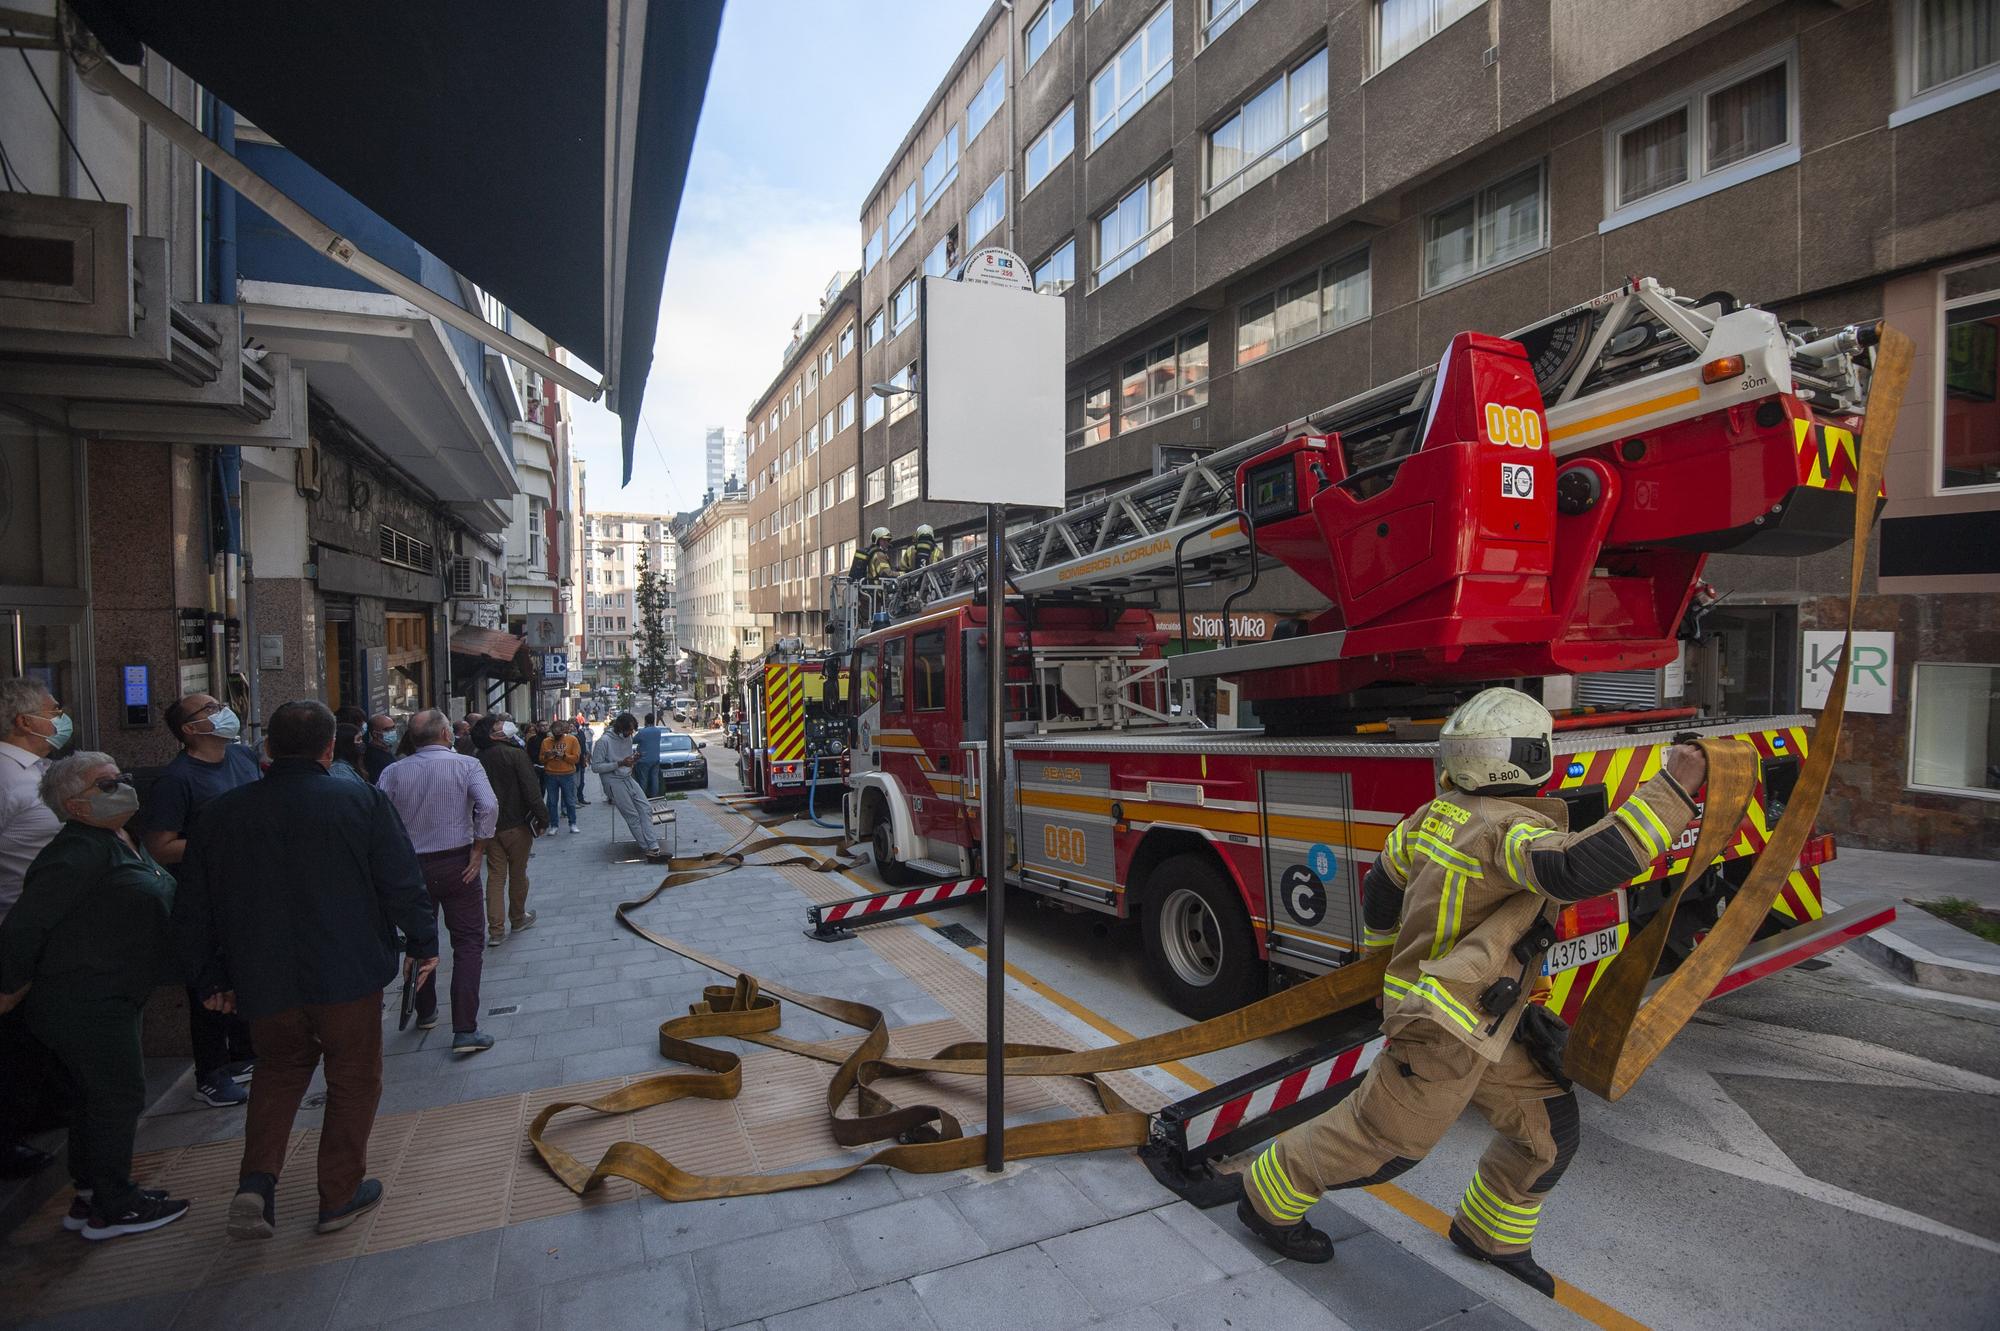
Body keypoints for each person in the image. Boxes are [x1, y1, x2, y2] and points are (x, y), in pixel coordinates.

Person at [1233, 687, 1707, 1295]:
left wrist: (1382, 960)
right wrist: (1672, 790)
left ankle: (1489, 1235)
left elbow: (1380, 886)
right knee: (1381, 1142)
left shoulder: (1432, 816)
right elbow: (1573, 869)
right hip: (1440, 1027)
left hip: (1484, 1019)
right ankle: (1264, 1198)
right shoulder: (1503, 829)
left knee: (1547, 1131)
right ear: (1528, 757)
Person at [177, 701, 439, 1241]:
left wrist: (210, 979)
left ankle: (256, 1183)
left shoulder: (222, 814)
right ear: (329, 748)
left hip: (262, 977)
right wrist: (422, 942)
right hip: (347, 973)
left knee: (277, 1072)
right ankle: (339, 1193)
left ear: (268, 748)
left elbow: (194, 907)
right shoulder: (359, 801)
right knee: (353, 1079)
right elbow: (400, 879)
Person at [0, 752, 191, 1241]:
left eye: (122, 777)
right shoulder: (75, 852)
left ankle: (90, 1195)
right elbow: (26, 926)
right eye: (107, 784)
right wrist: (6, 987)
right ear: (74, 804)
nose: (124, 787)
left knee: (96, 1096)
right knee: (116, 1093)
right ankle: (114, 1202)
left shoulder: (115, 838)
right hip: (84, 999)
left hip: (113, 991)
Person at [141, 693, 260, 1109]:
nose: (222, 710)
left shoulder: (243, 758)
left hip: (247, 888)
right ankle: (210, 1072)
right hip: (205, 896)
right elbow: (159, 847)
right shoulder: (177, 780)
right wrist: (217, 845)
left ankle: (246, 1054)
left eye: (219, 703)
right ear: (190, 729)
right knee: (209, 985)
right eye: (209, 708)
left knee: (246, 969)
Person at [377, 710, 499, 1054]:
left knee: (420, 937)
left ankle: (426, 1009)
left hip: (411, 867)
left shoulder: (392, 772)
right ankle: (464, 1028)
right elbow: (488, 805)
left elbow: (378, 820)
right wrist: (479, 848)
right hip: (458, 862)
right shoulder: (465, 766)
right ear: (447, 733)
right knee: (469, 942)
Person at [0, 679, 71, 1181]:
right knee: (12, 1041)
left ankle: (41, 1111)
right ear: (25, 721)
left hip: (54, 930)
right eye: (53, 709)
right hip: (13, 927)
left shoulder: (42, 769)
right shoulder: (4, 777)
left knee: (38, 1034)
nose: (60, 716)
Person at [472, 714, 543, 947]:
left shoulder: (477, 759)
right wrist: (543, 818)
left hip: (489, 826)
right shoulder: (515, 755)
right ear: (494, 734)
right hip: (516, 824)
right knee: (518, 873)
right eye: (497, 724)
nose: (503, 725)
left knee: (495, 876)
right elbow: (531, 790)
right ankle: (518, 917)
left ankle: (496, 930)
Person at [590, 712, 668, 863]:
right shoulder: (604, 741)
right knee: (632, 815)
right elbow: (595, 767)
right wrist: (619, 763)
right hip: (613, 781)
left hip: (627, 777)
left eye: (632, 731)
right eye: (628, 730)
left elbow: (625, 758)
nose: (631, 734)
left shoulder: (628, 738)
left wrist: (633, 760)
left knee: (645, 808)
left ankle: (654, 846)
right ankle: (648, 849)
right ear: (620, 728)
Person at [538, 719, 583, 834]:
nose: (556, 734)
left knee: (570, 800)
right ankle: (554, 825)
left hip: (567, 774)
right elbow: (541, 759)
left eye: (559, 732)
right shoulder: (546, 742)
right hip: (551, 774)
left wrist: (563, 756)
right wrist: (548, 756)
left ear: (563, 731)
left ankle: (572, 823)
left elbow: (576, 758)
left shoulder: (572, 740)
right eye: (554, 732)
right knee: (552, 802)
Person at [634, 712, 666, 798]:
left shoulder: (643, 732)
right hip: (655, 759)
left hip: (644, 759)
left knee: (643, 779)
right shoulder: (658, 731)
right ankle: (655, 796)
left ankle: (642, 797)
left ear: (645, 721)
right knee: (654, 778)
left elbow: (634, 740)